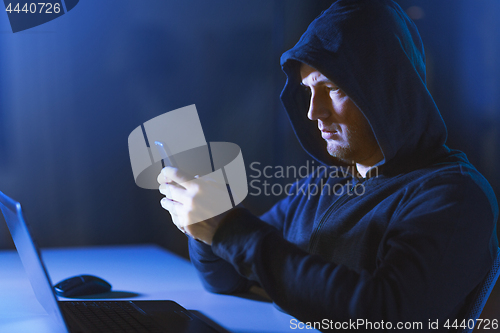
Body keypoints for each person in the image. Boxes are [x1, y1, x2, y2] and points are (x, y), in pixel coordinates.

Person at [157, 0, 499, 331]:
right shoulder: (323, 185)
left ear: (387, 88)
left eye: (331, 88)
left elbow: (386, 315)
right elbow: (228, 277)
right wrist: (207, 226)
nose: (313, 112)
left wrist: (231, 230)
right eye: (308, 91)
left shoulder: (453, 196)